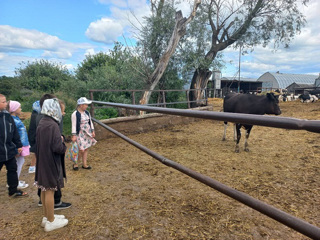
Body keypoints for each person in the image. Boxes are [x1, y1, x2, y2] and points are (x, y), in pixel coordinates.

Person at [35, 98, 68, 232]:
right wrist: (62, 142)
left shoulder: (42, 122)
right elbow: (57, 148)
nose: (63, 113)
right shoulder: (52, 125)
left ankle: (47, 216)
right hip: (50, 161)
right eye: (62, 110)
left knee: (44, 189)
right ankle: (51, 221)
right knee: (50, 189)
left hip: (42, 159)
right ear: (55, 109)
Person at [0, 94, 28, 197]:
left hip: (9, 149)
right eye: (3, 102)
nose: (6, 103)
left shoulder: (7, 116)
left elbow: (15, 132)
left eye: (5, 101)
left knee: (12, 169)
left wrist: (19, 144)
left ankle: (13, 190)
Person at [71, 97, 97, 170]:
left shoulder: (87, 113)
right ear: (81, 105)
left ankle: (84, 164)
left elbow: (90, 122)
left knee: (86, 148)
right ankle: (75, 163)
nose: (87, 106)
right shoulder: (75, 114)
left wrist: (92, 131)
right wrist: (74, 135)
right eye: (86, 105)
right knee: (81, 149)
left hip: (87, 133)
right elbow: (73, 125)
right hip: (79, 133)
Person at [8, 100, 29, 189]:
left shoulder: (15, 118)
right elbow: (13, 134)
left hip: (21, 143)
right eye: (19, 107)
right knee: (17, 163)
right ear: (14, 109)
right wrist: (17, 146)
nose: (21, 109)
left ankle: (15, 180)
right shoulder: (13, 120)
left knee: (20, 162)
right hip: (19, 145)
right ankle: (14, 182)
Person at [27, 100, 41, 173]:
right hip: (35, 135)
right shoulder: (36, 116)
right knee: (37, 151)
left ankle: (35, 165)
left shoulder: (34, 114)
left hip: (34, 134)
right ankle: (32, 166)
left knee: (37, 151)